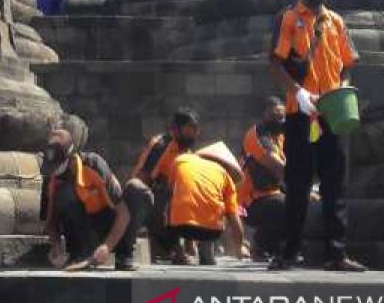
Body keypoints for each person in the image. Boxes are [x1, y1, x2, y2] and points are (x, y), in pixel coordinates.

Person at [267, 0, 366, 272]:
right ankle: (288, 252)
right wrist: (298, 93)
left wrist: (344, 89)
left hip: (332, 113)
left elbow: (348, 62)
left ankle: (336, 253)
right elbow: (276, 63)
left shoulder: (336, 21)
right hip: (301, 113)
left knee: (335, 183)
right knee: (297, 184)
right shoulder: (289, 19)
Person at [40, 128, 152, 271]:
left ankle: (124, 255)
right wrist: (56, 245)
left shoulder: (94, 165)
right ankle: (79, 254)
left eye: (58, 167)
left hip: (108, 222)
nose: (54, 172)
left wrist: (107, 246)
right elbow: (50, 223)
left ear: (72, 158)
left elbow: (123, 212)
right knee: (65, 194)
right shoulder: (51, 179)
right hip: (83, 229)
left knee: (137, 190)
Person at [128, 107, 201, 255]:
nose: (193, 135)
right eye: (189, 130)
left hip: (170, 202)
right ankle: (173, 246)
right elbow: (142, 181)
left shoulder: (187, 152)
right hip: (146, 200)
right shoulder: (160, 146)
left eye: (195, 130)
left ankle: (187, 241)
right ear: (176, 129)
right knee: (169, 195)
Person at [163, 136, 245, 265]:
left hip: (180, 227)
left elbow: (177, 194)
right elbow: (235, 221)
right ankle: (206, 252)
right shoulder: (225, 175)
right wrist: (238, 249)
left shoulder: (181, 160)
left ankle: (179, 253)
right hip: (211, 232)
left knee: (171, 203)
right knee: (218, 206)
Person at [240, 97, 287, 260]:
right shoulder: (257, 136)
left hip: (271, 195)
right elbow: (278, 166)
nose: (280, 121)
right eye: (275, 116)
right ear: (264, 114)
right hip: (247, 203)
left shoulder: (279, 137)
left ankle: (280, 247)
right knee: (287, 203)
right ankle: (259, 245)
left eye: (282, 117)